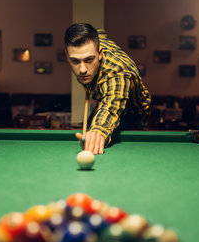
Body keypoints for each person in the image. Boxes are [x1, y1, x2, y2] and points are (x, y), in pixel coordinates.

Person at [64, 23, 151, 155]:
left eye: (89, 59)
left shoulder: (118, 73)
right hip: (102, 99)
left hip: (133, 113)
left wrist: (98, 130)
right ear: (67, 56)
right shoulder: (94, 42)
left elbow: (111, 104)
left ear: (100, 53)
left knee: (98, 131)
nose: (82, 70)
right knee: (89, 130)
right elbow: (100, 33)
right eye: (75, 61)